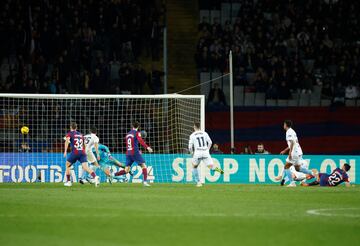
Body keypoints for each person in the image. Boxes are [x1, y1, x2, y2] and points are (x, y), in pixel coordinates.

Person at [113, 121, 153, 186]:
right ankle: (145, 182)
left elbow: (129, 144)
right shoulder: (137, 133)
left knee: (126, 170)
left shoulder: (128, 134)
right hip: (134, 152)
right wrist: (147, 147)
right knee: (143, 166)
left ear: (132, 126)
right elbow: (140, 140)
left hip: (128, 153)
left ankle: (113, 175)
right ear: (138, 126)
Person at [279, 120, 314, 187]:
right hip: (298, 152)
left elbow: (292, 142)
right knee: (297, 168)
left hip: (294, 152)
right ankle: (313, 173)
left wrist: (289, 153)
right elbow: (293, 143)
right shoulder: (292, 131)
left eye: (284, 124)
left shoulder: (288, 132)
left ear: (286, 125)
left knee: (286, 166)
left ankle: (292, 183)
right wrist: (284, 150)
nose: (283, 125)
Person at [63, 122, 99, 187]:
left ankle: (68, 182)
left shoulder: (69, 134)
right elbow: (84, 144)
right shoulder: (80, 134)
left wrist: (65, 151)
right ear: (76, 128)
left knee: (67, 165)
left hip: (75, 152)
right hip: (82, 152)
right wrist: (84, 152)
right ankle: (95, 177)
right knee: (85, 167)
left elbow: (66, 141)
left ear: (70, 127)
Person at [189, 122, 224, 187]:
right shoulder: (205, 133)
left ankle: (198, 182)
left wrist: (191, 153)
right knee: (211, 167)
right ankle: (219, 170)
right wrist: (207, 149)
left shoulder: (192, 135)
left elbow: (190, 147)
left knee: (194, 167)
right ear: (199, 127)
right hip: (205, 152)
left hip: (198, 153)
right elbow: (210, 142)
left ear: (194, 127)